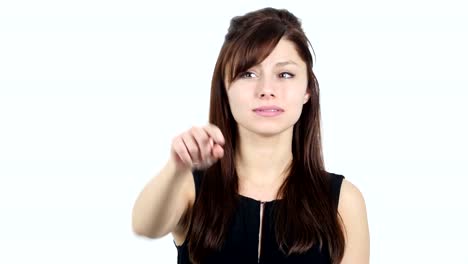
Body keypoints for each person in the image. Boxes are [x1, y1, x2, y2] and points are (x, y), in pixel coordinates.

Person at [132, 7, 369, 264]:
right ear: (225, 88)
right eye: (248, 74)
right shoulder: (191, 189)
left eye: (285, 74)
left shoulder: (343, 201)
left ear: (307, 90)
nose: (267, 89)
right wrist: (176, 169)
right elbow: (145, 226)